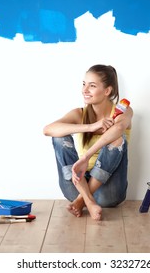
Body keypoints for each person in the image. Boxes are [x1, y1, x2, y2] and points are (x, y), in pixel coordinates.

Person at [43, 64, 133, 220]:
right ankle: (89, 200)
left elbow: (118, 129)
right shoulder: (79, 113)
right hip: (77, 185)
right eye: (84, 84)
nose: (85, 90)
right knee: (59, 135)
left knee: (117, 138)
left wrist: (86, 157)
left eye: (92, 86)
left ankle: (82, 200)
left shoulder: (123, 112)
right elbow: (48, 129)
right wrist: (91, 127)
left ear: (107, 91)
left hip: (109, 192)